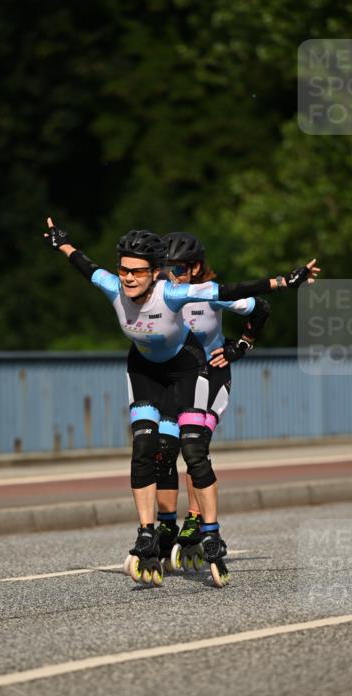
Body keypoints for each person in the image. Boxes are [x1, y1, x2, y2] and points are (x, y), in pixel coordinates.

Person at [44, 216, 319, 587]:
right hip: (148, 371)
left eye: (140, 271)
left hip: (199, 370)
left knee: (192, 446)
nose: (128, 278)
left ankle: (206, 528)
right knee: (154, 447)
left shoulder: (187, 292)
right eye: (123, 270)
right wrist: (62, 242)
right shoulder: (117, 285)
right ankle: (156, 529)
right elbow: (86, 265)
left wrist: (271, 300)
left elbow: (245, 294)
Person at [154, 232, 271, 571]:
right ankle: (165, 522)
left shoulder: (209, 294)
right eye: (164, 267)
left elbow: (260, 308)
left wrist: (242, 345)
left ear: (196, 267)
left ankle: (194, 518)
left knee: (194, 448)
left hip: (209, 375)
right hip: (172, 381)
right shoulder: (159, 292)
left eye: (176, 268)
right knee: (162, 450)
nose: (169, 274)